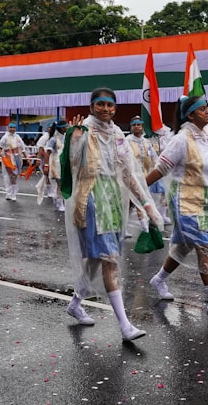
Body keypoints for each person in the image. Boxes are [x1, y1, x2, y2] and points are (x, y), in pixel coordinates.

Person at [61, 88, 162, 341]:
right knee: (109, 259)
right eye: (101, 104)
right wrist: (72, 142)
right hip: (91, 199)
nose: (106, 109)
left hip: (115, 201)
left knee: (97, 260)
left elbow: (129, 173)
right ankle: (125, 326)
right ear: (92, 106)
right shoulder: (83, 130)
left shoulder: (118, 133)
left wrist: (146, 204)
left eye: (110, 105)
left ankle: (75, 303)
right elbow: (71, 168)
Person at [145, 94, 208, 317]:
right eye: (202, 109)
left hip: (207, 201)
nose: (207, 112)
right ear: (190, 114)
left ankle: (159, 279)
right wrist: (137, 191)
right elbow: (161, 169)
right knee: (204, 246)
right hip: (186, 201)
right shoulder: (181, 139)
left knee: (184, 246)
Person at [44, 121, 67, 212]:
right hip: (56, 164)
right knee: (59, 184)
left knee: (63, 184)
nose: (68, 128)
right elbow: (47, 152)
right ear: (62, 128)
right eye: (66, 126)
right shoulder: (53, 139)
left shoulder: (66, 138)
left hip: (64, 163)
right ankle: (60, 203)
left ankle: (59, 201)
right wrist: (46, 165)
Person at [0, 123, 26, 201]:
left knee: (14, 175)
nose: (12, 129)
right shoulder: (5, 137)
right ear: (8, 128)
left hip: (17, 158)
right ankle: (9, 193)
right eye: (11, 127)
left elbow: (23, 148)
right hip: (7, 159)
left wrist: (26, 158)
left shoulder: (17, 137)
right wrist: (3, 156)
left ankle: (13, 193)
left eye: (14, 127)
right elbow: (0, 147)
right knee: (8, 176)